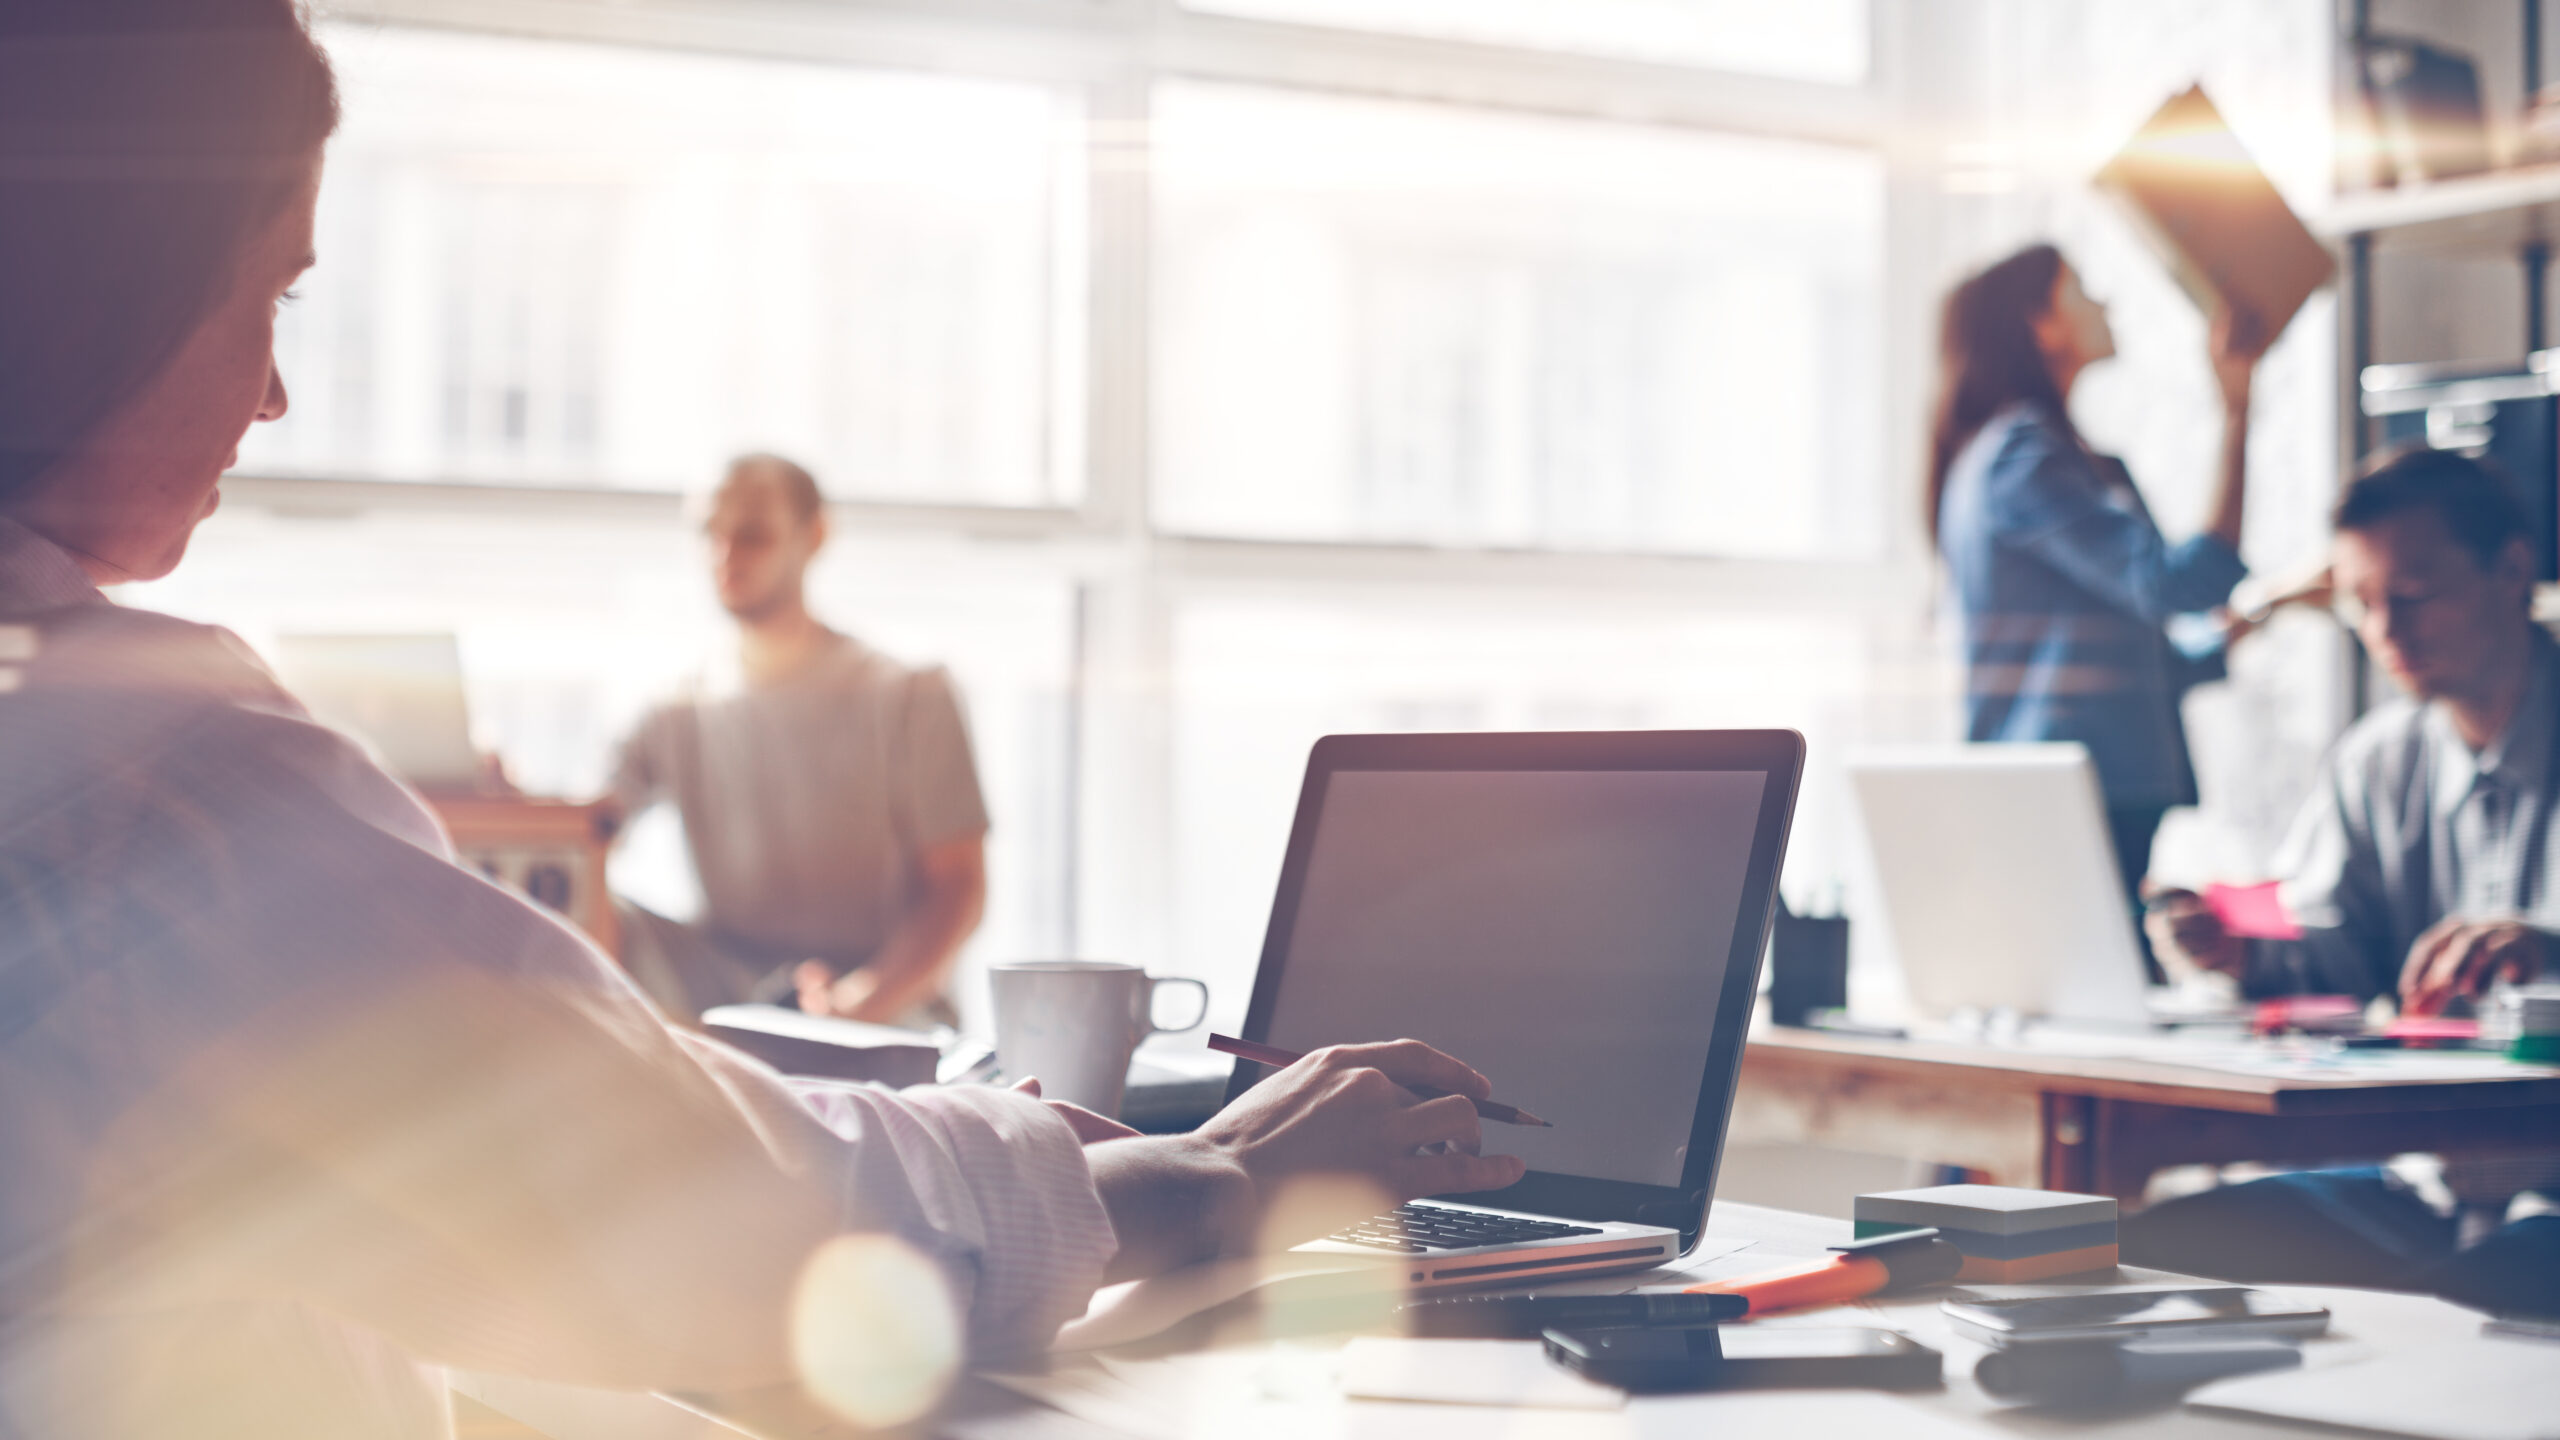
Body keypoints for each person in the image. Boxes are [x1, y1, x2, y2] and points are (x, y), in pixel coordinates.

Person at [0, 5, 1526, 1434]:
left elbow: (942, 900)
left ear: (807, 540)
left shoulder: (898, 691)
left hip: (865, 1049)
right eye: (266, 289)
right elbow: (683, 1207)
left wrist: (872, 1017)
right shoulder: (153, 765)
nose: (274, 392)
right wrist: (1207, 1179)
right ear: (99, 287)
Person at [2133, 446, 2559, 1318]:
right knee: (2147, 1251)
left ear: (2513, 569)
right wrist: (2238, 948)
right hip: (2425, 1185)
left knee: (2450, 1313)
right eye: (2360, 603)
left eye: (2413, 594)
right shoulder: (2377, 762)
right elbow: (2336, 952)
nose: (2385, 630)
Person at [1929, 243, 2268, 967]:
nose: (2105, 304)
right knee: (2102, 1000)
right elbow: (2179, 584)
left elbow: (2149, 652)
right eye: (2081, 290)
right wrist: (2238, 411)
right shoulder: (2026, 457)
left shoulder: (2046, 458)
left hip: (2074, 788)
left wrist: (2270, 608)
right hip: (2068, 789)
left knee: (2102, 995)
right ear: (2040, 325)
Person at [609, 453, 986, 1027]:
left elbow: (958, 886)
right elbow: (586, 832)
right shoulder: (673, 709)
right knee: (603, 910)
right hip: (724, 1000)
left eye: (753, 534)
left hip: (880, 1002)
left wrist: (864, 998)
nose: (725, 554)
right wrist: (505, 800)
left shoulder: (911, 694)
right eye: (711, 532)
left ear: (813, 537)